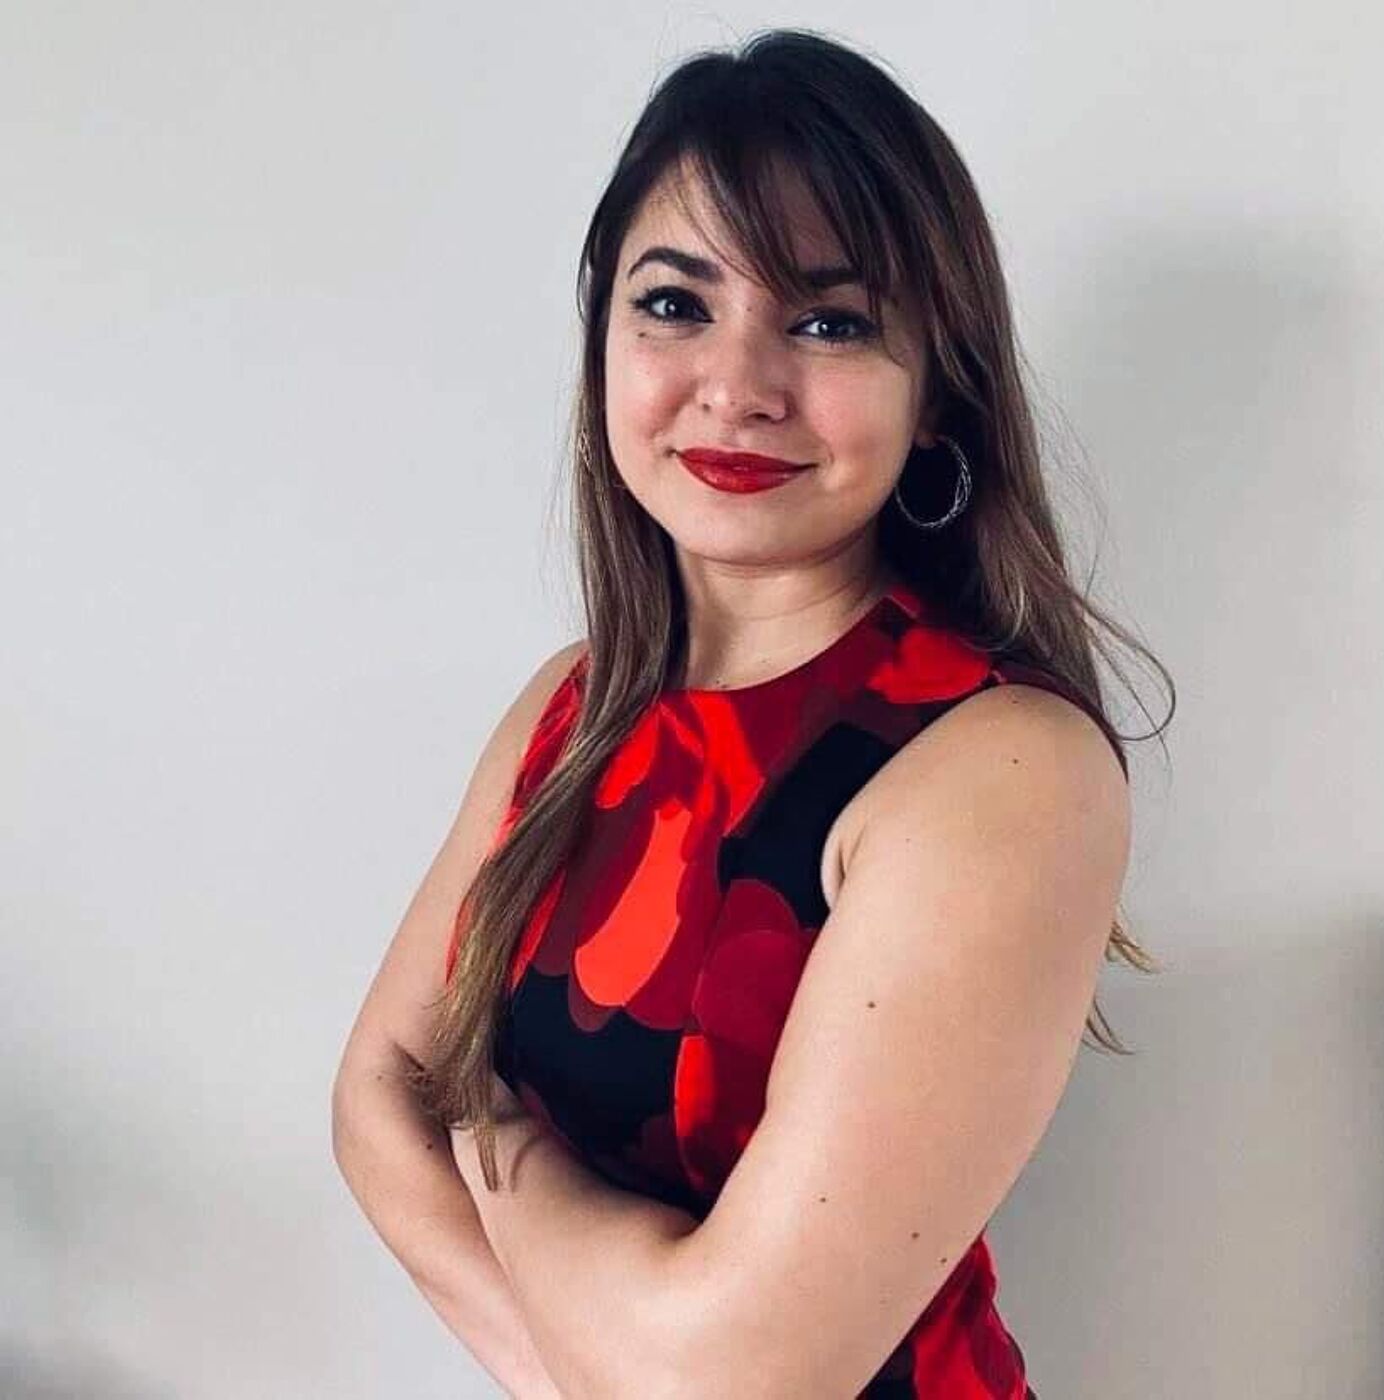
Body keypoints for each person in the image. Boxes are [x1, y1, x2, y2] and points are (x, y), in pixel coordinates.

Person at [331, 26, 1172, 1400]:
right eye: (676, 303)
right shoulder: (570, 704)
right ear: (603, 329)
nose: (737, 382)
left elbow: (736, 1385)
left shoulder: (1003, 765)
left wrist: (501, 1145)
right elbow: (374, 1107)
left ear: (934, 392)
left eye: (829, 321)